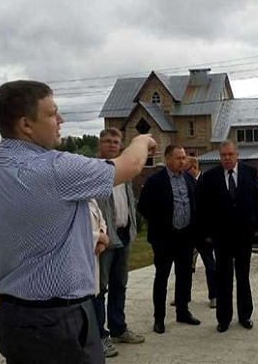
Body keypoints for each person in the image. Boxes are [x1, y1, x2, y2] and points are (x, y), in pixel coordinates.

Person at [0, 80, 156, 364]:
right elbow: (130, 166)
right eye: (52, 113)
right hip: (59, 321)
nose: (61, 120)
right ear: (26, 125)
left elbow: (3, 237)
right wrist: (142, 141)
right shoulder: (56, 167)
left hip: (11, 316)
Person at [197, 140, 258, 333]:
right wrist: (206, 234)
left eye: (230, 155)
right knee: (223, 277)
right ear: (220, 157)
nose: (227, 158)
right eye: (223, 155)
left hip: (244, 234)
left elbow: (257, 199)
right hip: (221, 236)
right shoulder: (210, 177)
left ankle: (245, 316)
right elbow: (203, 207)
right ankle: (223, 318)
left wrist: (257, 226)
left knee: (243, 276)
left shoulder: (250, 172)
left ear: (237, 155)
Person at [138, 144, 201, 335]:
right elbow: (143, 207)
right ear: (167, 159)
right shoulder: (155, 181)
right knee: (162, 277)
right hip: (164, 238)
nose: (182, 161)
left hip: (185, 237)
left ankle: (183, 311)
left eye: (184, 158)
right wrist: (162, 221)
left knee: (185, 275)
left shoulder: (189, 179)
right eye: (178, 158)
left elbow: (195, 203)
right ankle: (159, 318)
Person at [93, 128, 145, 358]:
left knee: (119, 285)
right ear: (100, 144)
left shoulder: (122, 171)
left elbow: (128, 202)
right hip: (104, 239)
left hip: (124, 235)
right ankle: (99, 337)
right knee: (99, 288)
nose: (112, 145)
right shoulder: (93, 171)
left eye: (116, 142)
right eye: (107, 141)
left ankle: (118, 328)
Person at [185, 156, 217, 309]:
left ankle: (214, 295)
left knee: (210, 265)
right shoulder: (183, 183)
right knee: (185, 266)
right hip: (187, 233)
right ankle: (184, 295)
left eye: (186, 169)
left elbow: (212, 210)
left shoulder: (208, 182)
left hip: (204, 234)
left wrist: (210, 232)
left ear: (193, 168)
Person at [88, 199, 109, 295]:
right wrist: (99, 237)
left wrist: (101, 239)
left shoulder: (92, 200)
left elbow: (102, 221)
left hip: (95, 251)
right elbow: (75, 232)